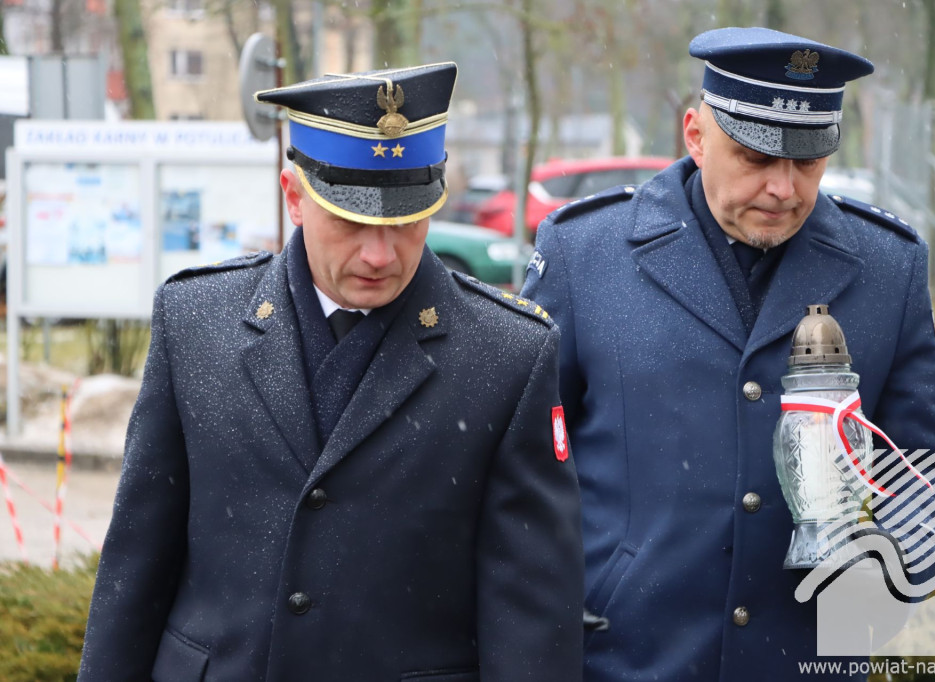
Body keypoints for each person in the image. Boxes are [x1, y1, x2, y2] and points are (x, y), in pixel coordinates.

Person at [80, 62, 584, 682]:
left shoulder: (507, 353)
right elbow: (137, 561)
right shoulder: (196, 320)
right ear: (294, 196)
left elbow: (531, 611)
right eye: (350, 221)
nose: (380, 254)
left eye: (404, 221)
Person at [522, 28, 935, 681]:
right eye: (756, 158)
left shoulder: (887, 269)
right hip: (628, 657)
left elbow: (933, 479)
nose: (784, 189)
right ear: (695, 135)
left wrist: (879, 588)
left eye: (809, 163)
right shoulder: (584, 255)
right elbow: (520, 468)